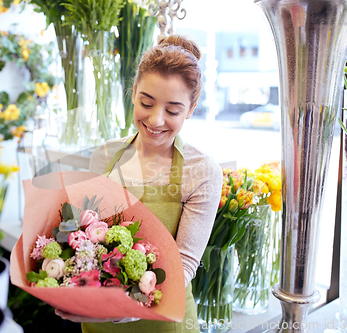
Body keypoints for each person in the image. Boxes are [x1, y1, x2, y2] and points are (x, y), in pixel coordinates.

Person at [56, 35, 223, 333]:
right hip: (98, 321)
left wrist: (128, 309)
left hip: (163, 320)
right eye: (146, 103)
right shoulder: (105, 155)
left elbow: (183, 264)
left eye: (173, 110)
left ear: (192, 107)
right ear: (133, 93)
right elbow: (86, 238)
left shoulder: (201, 171)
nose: (156, 120)